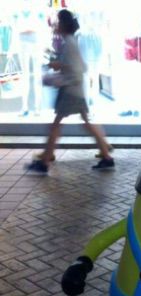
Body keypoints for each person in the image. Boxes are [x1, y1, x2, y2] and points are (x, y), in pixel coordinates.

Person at [25, 9, 114, 174]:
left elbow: (77, 70)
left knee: (56, 125)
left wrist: (59, 66)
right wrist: (60, 65)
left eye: (57, 22)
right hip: (74, 91)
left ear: (63, 24)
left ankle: (44, 162)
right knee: (84, 123)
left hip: (70, 92)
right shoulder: (70, 42)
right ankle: (106, 155)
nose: (55, 25)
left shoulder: (70, 43)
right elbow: (81, 67)